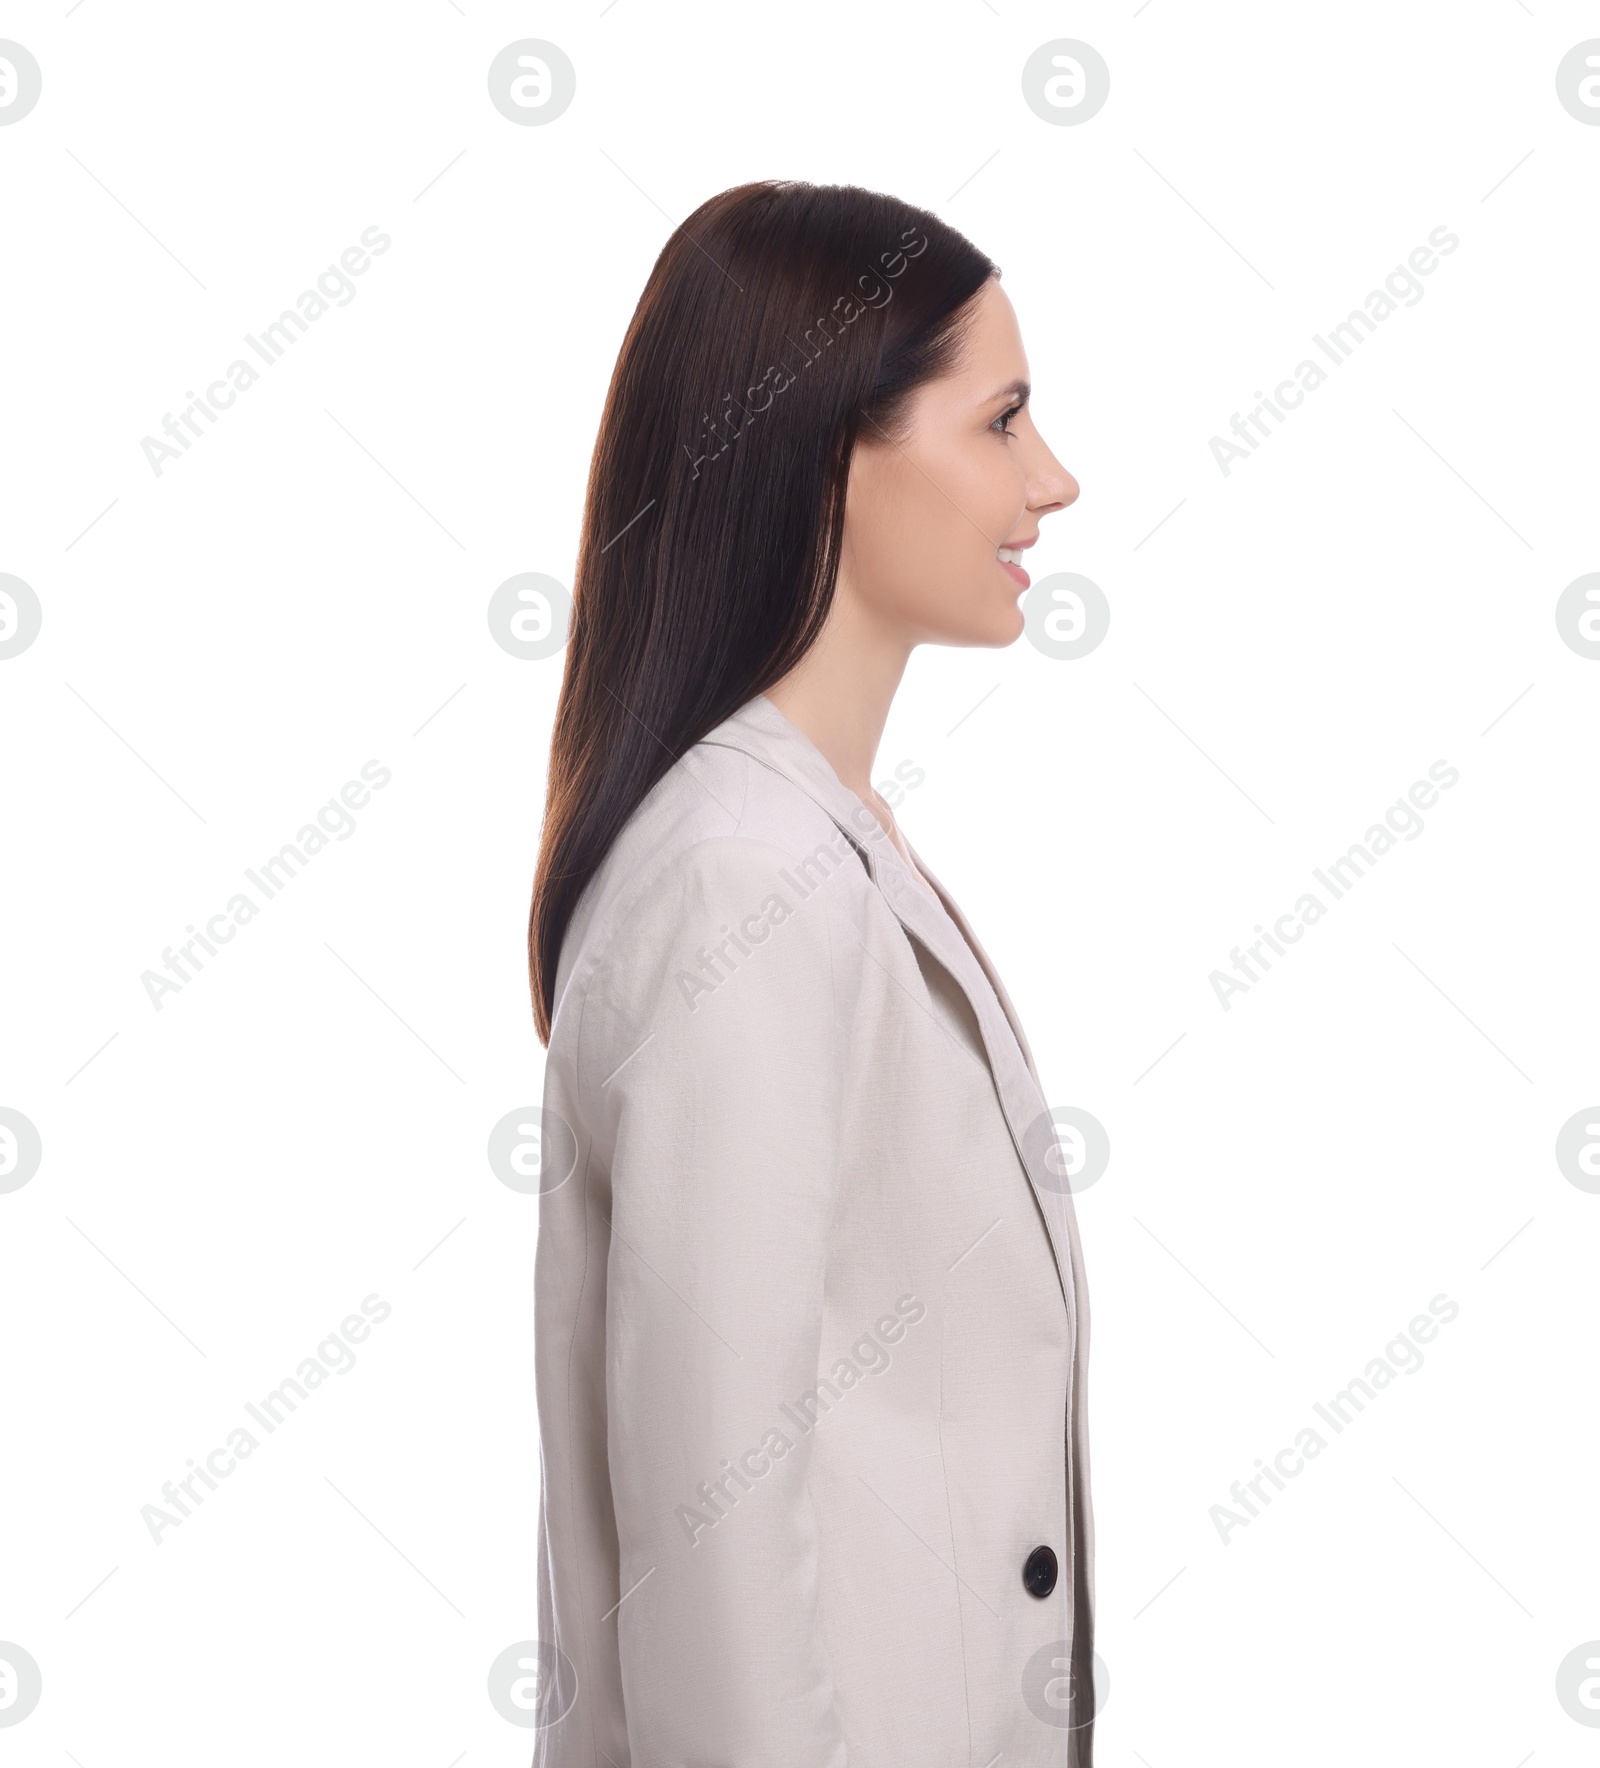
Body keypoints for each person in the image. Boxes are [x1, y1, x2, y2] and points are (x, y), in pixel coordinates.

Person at [527, 179, 1094, 1766]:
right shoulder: (742, 882)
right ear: (833, 449)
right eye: (1002, 424)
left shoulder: (810, 845)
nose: (1053, 480)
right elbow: (715, 1531)